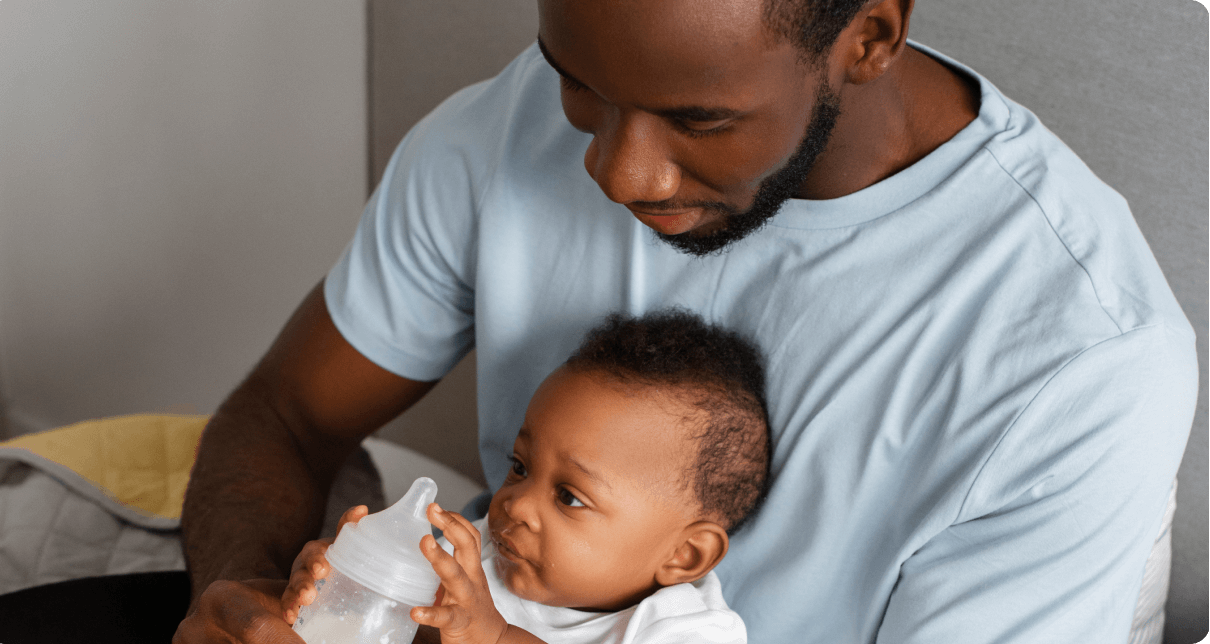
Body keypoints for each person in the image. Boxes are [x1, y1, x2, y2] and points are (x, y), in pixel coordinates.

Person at [175, 0, 1198, 642]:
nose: (614, 171)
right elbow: (286, 410)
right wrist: (240, 585)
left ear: (870, 36)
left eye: (700, 119)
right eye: (579, 83)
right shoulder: (497, 130)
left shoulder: (1079, 356)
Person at [283, 311, 769, 644]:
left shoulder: (686, 629)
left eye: (569, 497)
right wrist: (341, 586)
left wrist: (494, 635)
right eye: (520, 468)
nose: (514, 504)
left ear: (684, 554)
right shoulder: (474, 560)